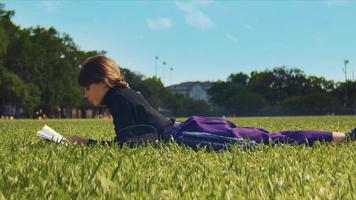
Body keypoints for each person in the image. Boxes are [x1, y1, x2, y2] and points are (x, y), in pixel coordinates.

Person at [66, 55, 356, 149]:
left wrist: (87, 144)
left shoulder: (118, 99)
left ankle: (345, 137)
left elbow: (136, 143)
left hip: (189, 134)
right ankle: (344, 136)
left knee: (271, 140)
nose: (85, 94)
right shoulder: (125, 94)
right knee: (271, 136)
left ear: (103, 81)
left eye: (87, 87)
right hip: (192, 125)